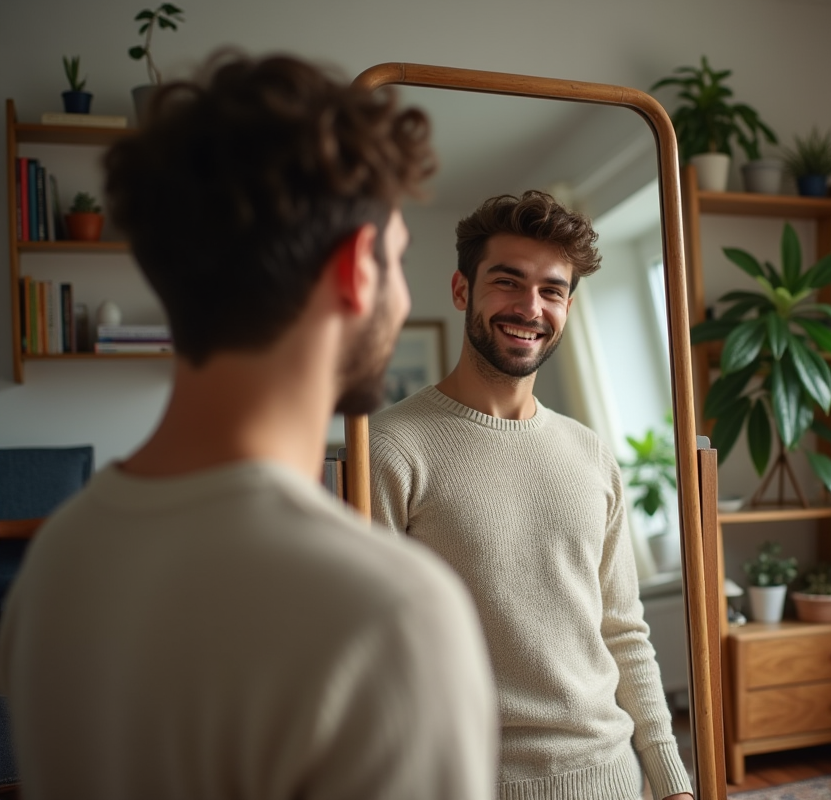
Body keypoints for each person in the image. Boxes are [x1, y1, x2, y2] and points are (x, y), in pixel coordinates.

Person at [0, 54, 497, 800]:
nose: (401, 295)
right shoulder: (386, 614)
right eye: (397, 260)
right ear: (357, 268)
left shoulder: (55, 563)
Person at [370, 189, 694, 800]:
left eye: (551, 290)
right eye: (508, 281)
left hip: (614, 778)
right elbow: (371, 653)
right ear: (462, 290)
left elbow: (623, 631)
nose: (530, 307)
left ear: (568, 305)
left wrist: (670, 778)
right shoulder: (390, 448)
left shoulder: (591, 453)